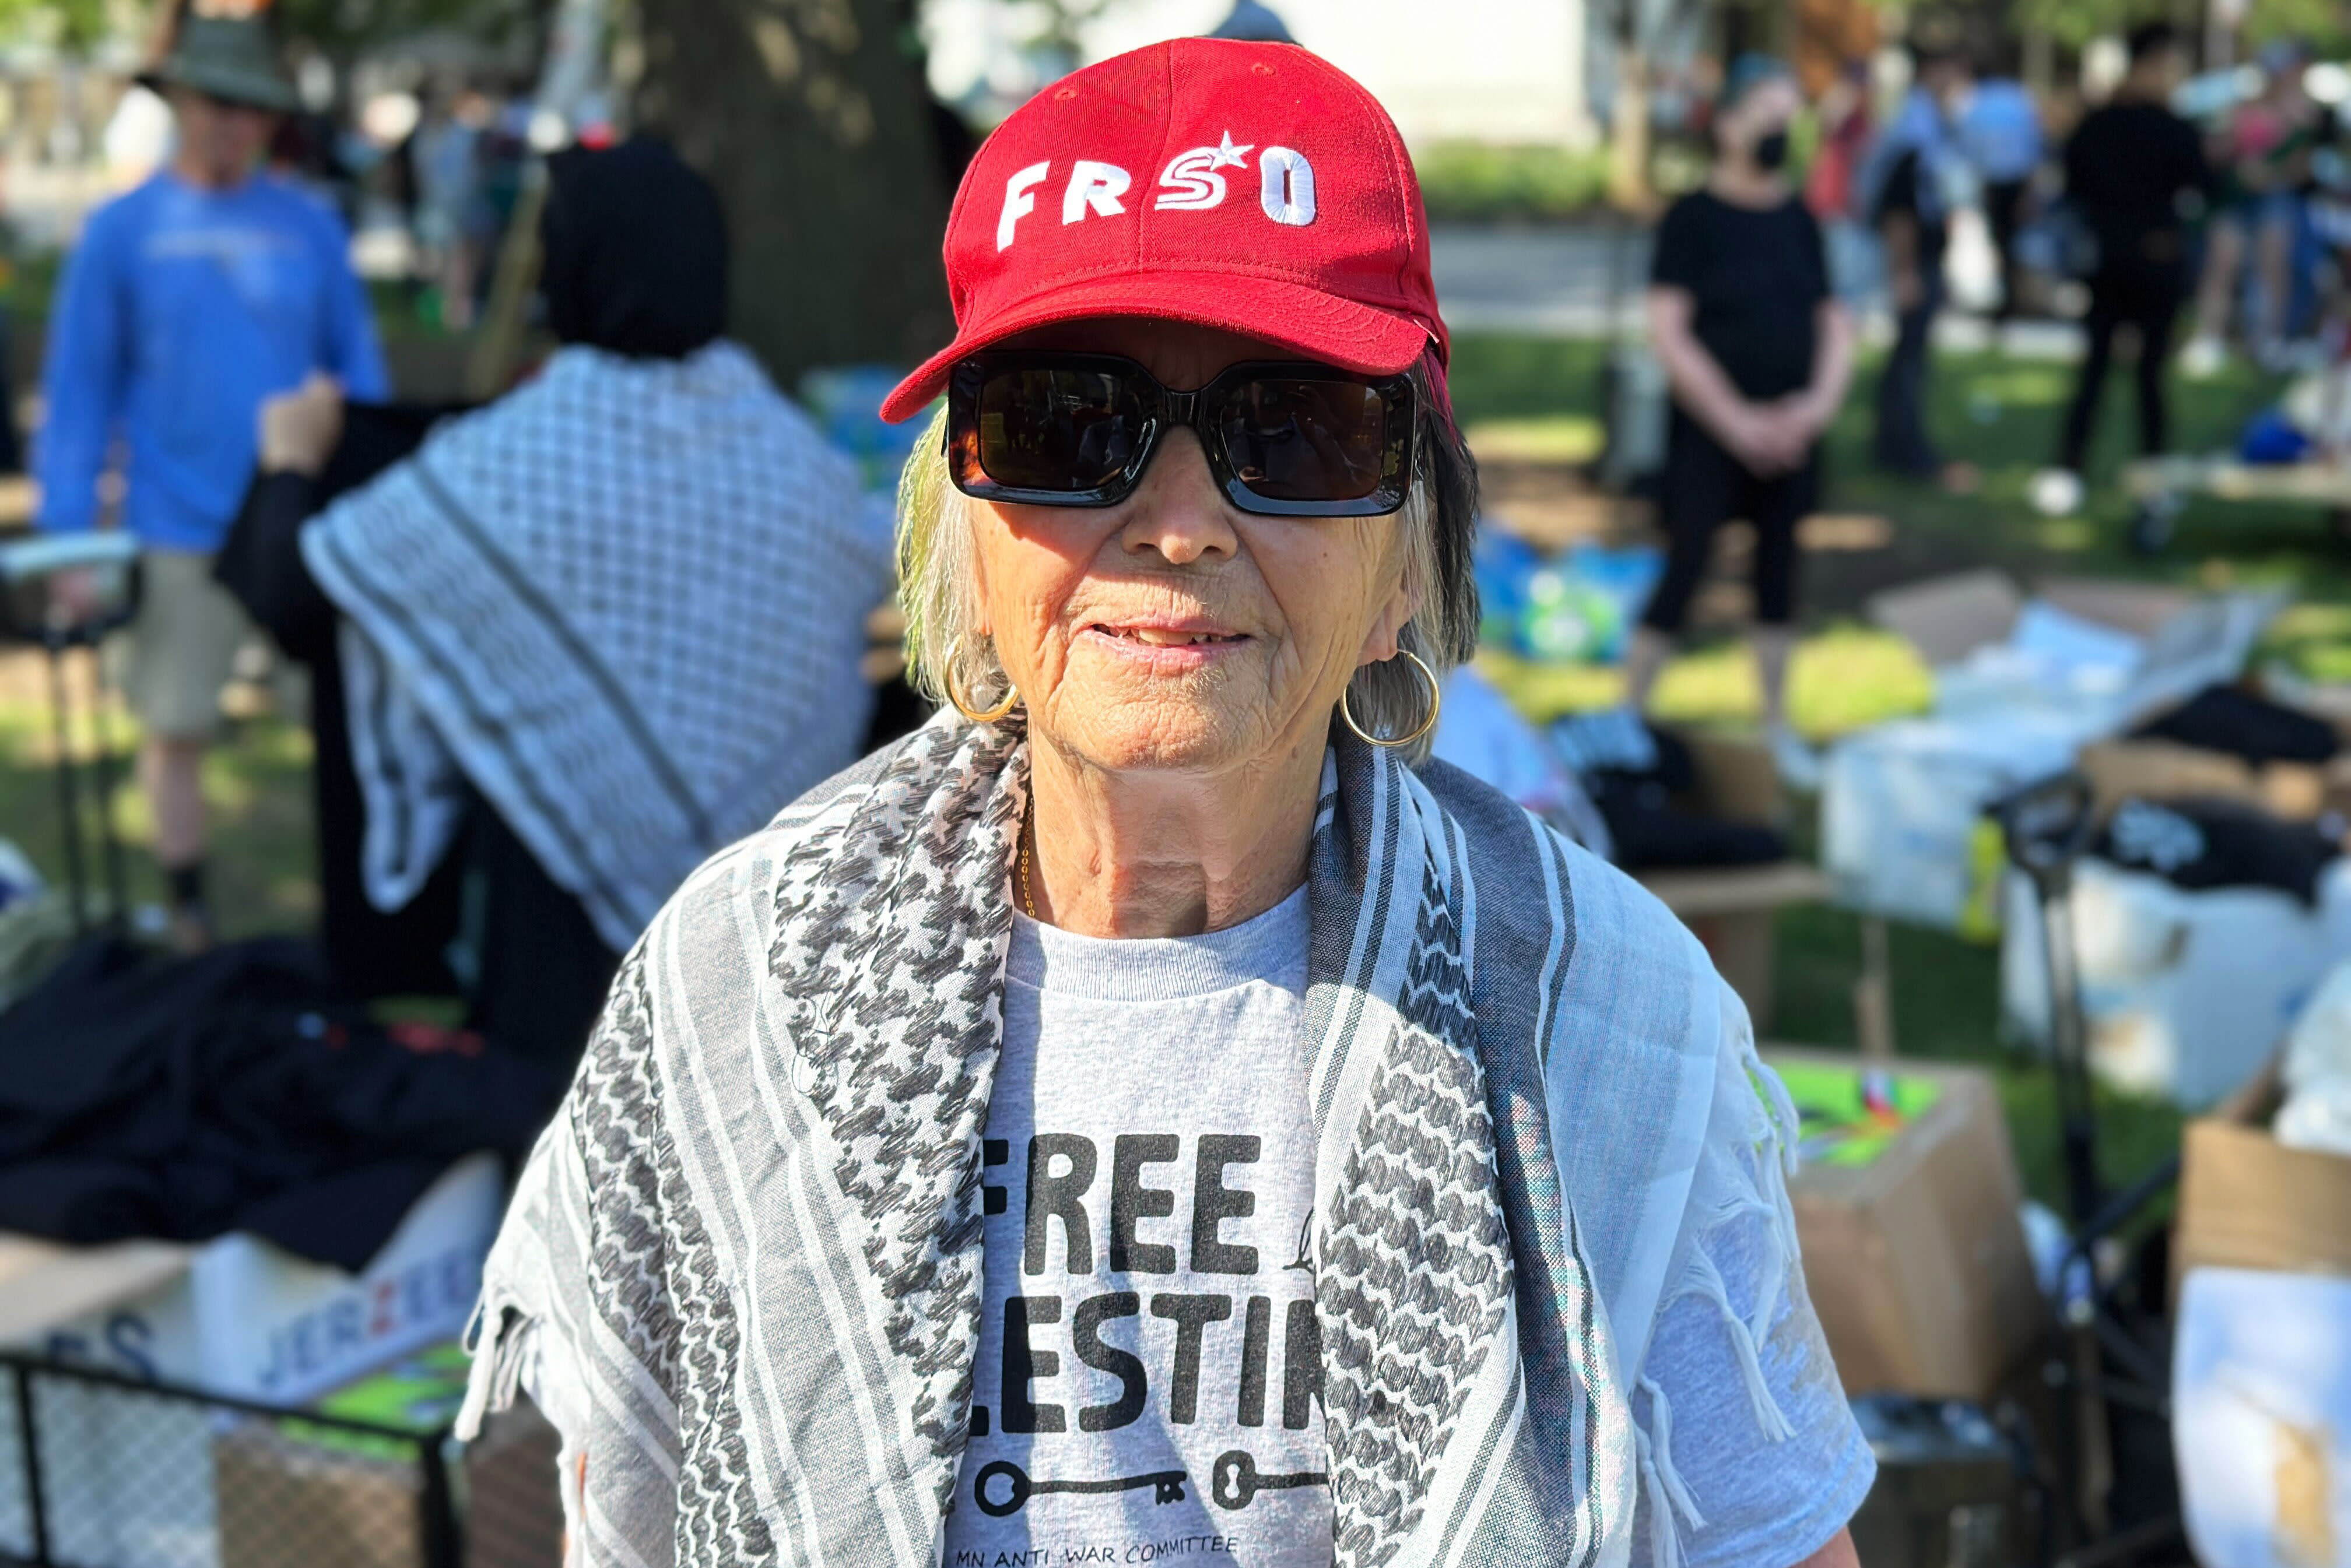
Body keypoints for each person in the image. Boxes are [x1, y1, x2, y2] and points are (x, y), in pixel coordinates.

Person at [458, 39, 1872, 1568]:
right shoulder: (732, 997)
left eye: (1300, 432)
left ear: (1412, 568)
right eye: (1068, 425)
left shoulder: (1604, 1022)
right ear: (965, 541)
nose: (1182, 524)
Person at [243, 138, 890, 1068]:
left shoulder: (514, 456)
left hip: (557, 962)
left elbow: (297, 590)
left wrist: (290, 460)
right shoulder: (796, 460)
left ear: (569, 264)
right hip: (767, 948)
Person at [34, 5, 388, 950]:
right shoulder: (121, 231)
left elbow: (359, 373)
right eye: (216, 102)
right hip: (174, 525)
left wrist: (374, 496)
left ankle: (351, 919)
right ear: (179, 100)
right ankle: (189, 912)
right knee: (175, 723)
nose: (233, 123)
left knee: (344, 736)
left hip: (299, 523)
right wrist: (70, 530)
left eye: (252, 107)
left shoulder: (309, 228)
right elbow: (79, 393)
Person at [1630, 55, 1855, 783]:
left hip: (1791, 434)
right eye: (1765, 112)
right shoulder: (1692, 219)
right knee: (1686, 561)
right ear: (1726, 124)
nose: (1780, 129)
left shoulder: (1800, 220)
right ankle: (1626, 717)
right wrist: (1736, 422)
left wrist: (1813, 409)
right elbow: (1669, 329)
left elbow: (1835, 321)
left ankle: (1777, 726)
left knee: (1779, 570)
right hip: (1710, 432)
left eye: (1789, 115)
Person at [2033, 23, 2208, 519]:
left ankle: (2076, 468)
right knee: (2143, 376)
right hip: (2149, 260)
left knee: (2100, 371)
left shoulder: (2099, 123)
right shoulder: (2171, 127)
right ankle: (2145, 476)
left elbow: (2073, 188)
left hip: (2109, 260)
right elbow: (2204, 187)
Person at [1862, 43, 1973, 485]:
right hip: (1914, 262)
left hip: (1924, 258)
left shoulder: (1929, 122)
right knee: (1908, 360)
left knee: (1909, 357)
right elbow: (1900, 207)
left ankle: (1895, 443)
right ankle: (1903, 448)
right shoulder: (1917, 128)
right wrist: (1904, 271)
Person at [1957, 59, 2043, 323]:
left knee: (2002, 241)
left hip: (1993, 180)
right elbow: (2033, 142)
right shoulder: (2018, 98)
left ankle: (2011, 299)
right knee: (2013, 242)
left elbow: (1969, 145)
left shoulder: (1978, 101)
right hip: (2016, 179)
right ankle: (2015, 298)